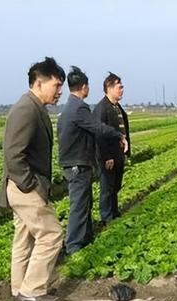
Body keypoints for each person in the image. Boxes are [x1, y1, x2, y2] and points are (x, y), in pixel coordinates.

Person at [0, 57, 65, 301]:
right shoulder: (26, 109)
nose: (59, 92)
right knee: (51, 234)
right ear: (39, 83)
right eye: (56, 85)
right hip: (24, 187)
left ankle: (19, 288)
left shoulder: (33, 106)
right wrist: (31, 185)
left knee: (24, 237)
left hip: (22, 185)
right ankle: (32, 290)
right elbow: (13, 155)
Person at [57, 66, 127, 255]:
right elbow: (97, 128)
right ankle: (74, 246)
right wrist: (118, 136)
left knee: (84, 202)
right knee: (79, 205)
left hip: (75, 163)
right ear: (84, 87)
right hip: (77, 164)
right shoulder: (79, 107)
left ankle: (86, 238)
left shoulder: (69, 106)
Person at [93, 72, 131, 224]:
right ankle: (107, 218)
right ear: (109, 88)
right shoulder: (102, 109)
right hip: (108, 157)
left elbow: (124, 132)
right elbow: (99, 135)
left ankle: (115, 213)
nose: (122, 90)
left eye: (122, 87)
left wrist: (127, 151)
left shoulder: (117, 107)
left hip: (119, 154)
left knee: (115, 186)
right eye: (119, 87)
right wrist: (107, 156)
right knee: (107, 188)